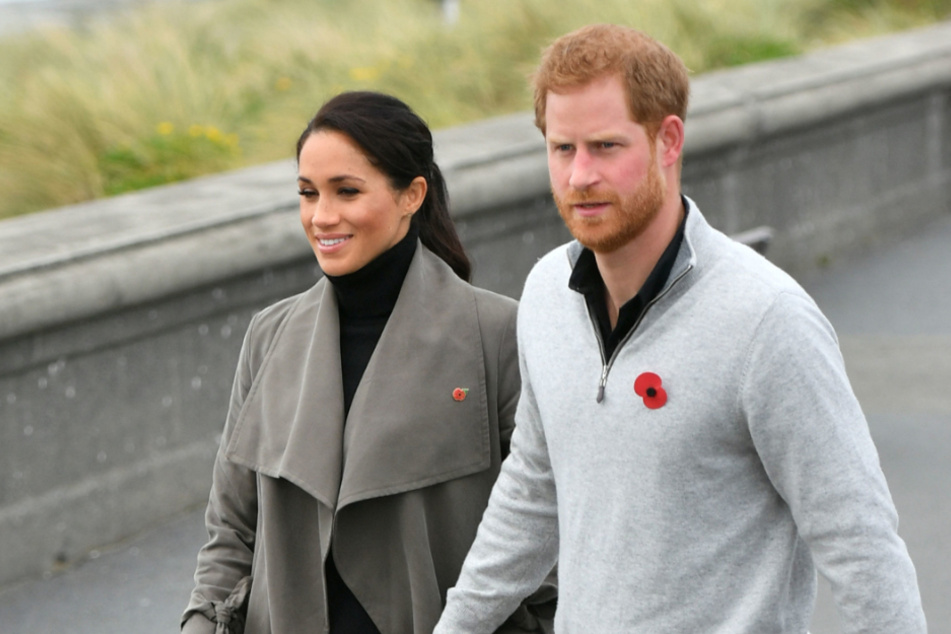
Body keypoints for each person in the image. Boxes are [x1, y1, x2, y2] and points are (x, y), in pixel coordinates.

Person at [435, 24, 927, 633]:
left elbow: (861, 547)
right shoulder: (544, 294)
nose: (579, 175)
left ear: (668, 140)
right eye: (563, 148)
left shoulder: (767, 320)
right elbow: (533, 491)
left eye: (605, 147)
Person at [181, 91, 555, 634]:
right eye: (308, 193)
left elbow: (539, 530)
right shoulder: (270, 336)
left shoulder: (496, 335)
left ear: (412, 195)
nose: (321, 216)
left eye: (347, 191)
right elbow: (232, 529)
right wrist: (200, 623)